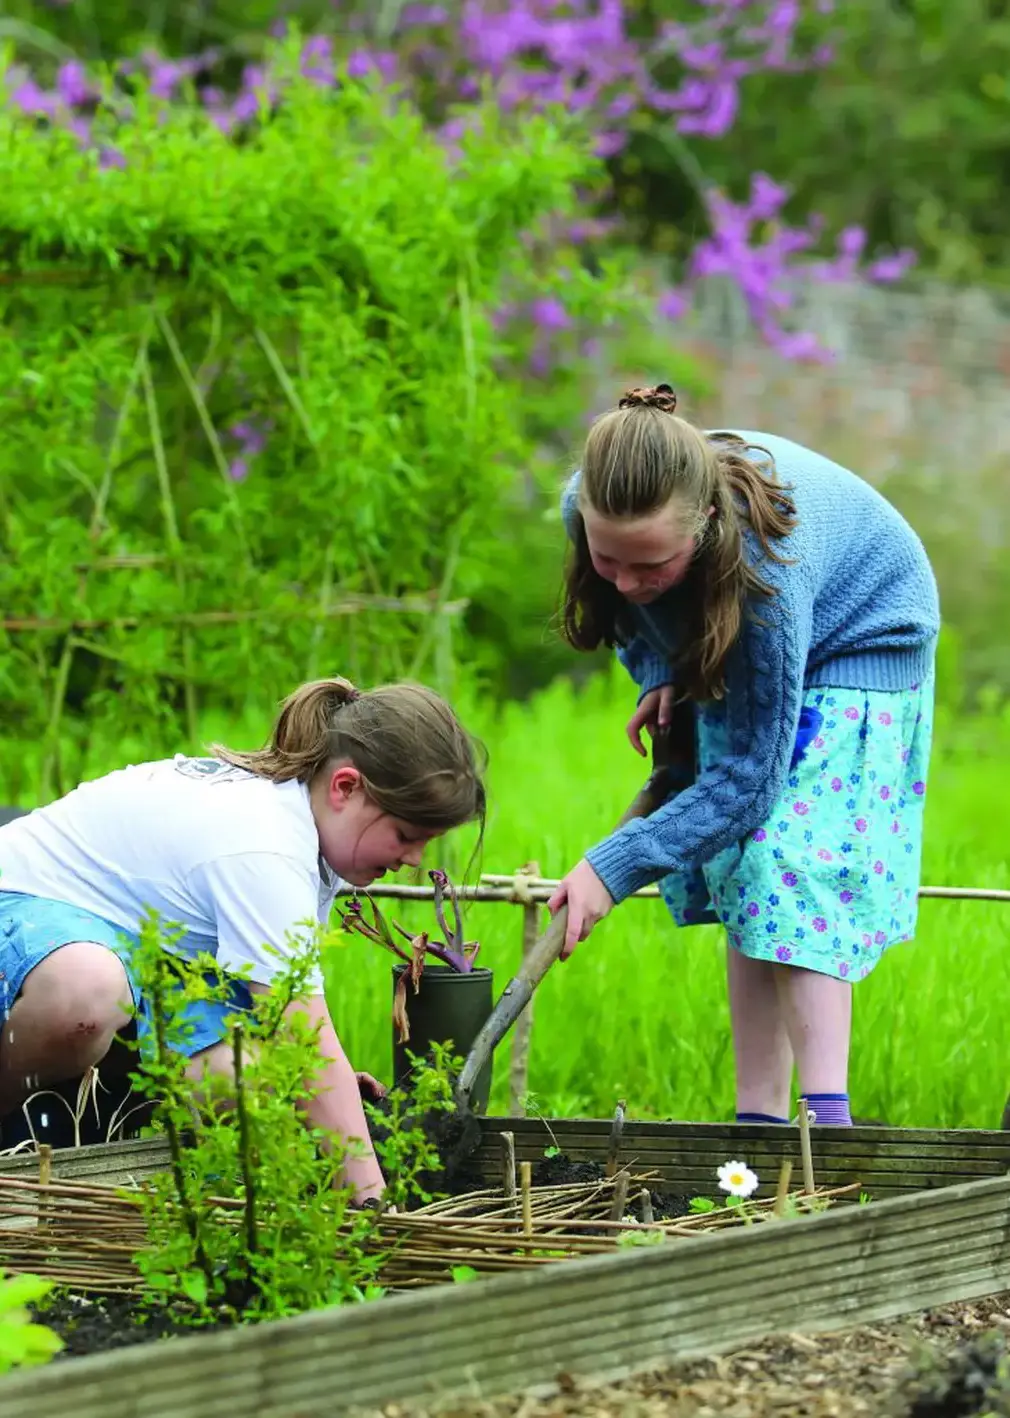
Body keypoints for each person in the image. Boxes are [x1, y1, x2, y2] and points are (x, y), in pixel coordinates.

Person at [548, 384, 939, 1127]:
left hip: (864, 638)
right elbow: (630, 609)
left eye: (651, 565)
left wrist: (614, 866)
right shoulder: (590, 504)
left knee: (789, 863)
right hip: (754, 629)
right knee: (740, 869)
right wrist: (664, 670)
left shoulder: (765, 574)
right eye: (610, 560)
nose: (627, 582)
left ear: (702, 527)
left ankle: (829, 1127)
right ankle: (756, 1125)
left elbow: (750, 782)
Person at [0, 677, 486, 1200]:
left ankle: (99, 1131)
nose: (413, 859)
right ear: (347, 788)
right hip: (33, 904)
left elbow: (281, 1026)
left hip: (147, 951)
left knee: (261, 1087)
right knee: (87, 995)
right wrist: (372, 1202)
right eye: (407, 836)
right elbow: (304, 1040)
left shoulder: (310, 837)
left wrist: (330, 1095)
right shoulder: (263, 846)